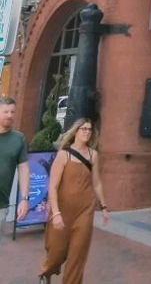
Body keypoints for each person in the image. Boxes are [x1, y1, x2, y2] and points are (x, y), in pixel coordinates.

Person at [39, 117, 108, 284]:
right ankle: (46, 271)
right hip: (62, 211)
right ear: (75, 131)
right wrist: (56, 213)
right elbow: (53, 187)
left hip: (84, 211)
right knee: (56, 253)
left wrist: (104, 206)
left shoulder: (93, 155)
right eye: (83, 129)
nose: (87, 132)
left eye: (89, 129)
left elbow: (97, 183)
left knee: (78, 255)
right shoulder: (64, 155)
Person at [0, 96, 29, 241]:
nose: (9, 115)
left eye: (12, 112)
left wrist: (24, 198)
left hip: (1, 204)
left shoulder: (18, 139)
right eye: (5, 112)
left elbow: (23, 169)